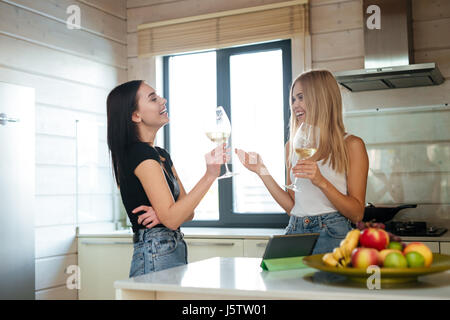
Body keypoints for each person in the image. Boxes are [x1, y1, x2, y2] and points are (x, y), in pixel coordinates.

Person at [235, 70, 369, 254]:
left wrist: (321, 181)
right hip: (295, 231)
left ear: (321, 98)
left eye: (301, 97)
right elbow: (293, 207)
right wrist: (261, 170)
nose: (295, 105)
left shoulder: (352, 145)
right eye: (293, 99)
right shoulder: (292, 146)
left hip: (332, 233)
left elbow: (356, 213)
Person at [107, 80, 228, 277]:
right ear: (135, 115)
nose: (163, 100)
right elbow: (173, 218)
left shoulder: (160, 154)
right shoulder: (139, 153)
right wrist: (210, 175)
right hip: (156, 252)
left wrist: (165, 213)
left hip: (169, 249)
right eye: (153, 99)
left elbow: (187, 213)